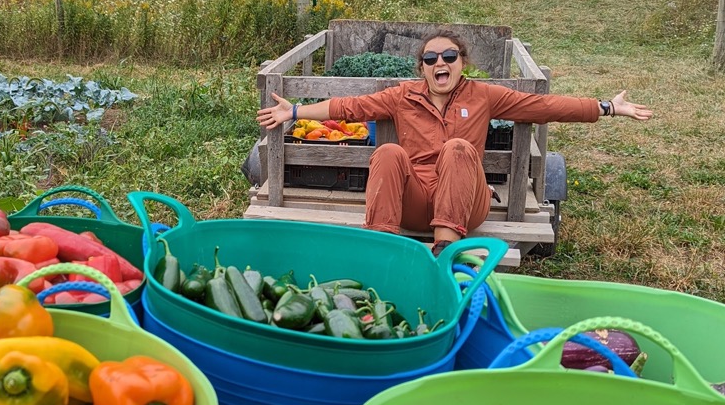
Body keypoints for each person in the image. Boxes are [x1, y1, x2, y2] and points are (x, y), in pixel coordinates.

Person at [257, 29, 653, 256]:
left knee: (459, 148)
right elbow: (351, 107)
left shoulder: (483, 95)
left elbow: (542, 105)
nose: (439, 63)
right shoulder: (402, 95)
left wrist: (604, 107)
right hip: (415, 199)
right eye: (430, 59)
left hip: (466, 202)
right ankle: (381, 248)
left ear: (462, 62)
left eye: (448, 55)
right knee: (389, 151)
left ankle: (445, 249)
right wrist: (294, 113)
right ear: (423, 68)